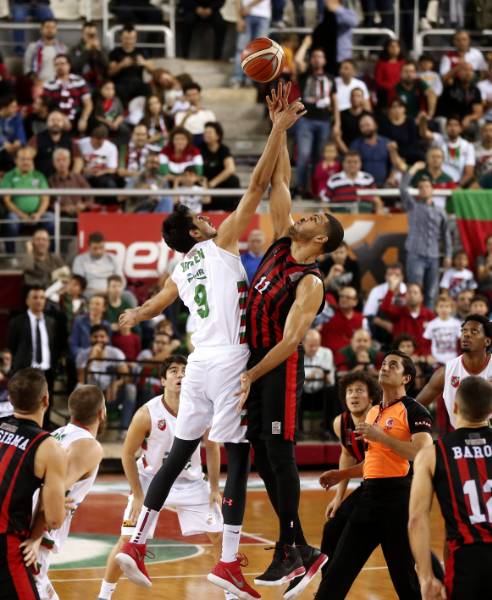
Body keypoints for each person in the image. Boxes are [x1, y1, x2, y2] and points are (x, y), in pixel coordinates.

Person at [114, 83, 305, 598]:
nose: (208, 215)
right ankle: (227, 564)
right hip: (226, 361)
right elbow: (260, 184)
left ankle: (137, 542)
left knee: (178, 453)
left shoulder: (182, 265)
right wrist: (276, 130)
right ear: (197, 230)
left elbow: (159, 302)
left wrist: (137, 313)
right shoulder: (220, 243)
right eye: (200, 216)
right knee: (238, 457)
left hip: (196, 362)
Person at [235, 92, 344, 594]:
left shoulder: (311, 280)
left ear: (321, 240)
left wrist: (252, 375)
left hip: (278, 368)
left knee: (279, 455)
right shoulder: (281, 240)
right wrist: (278, 126)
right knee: (262, 450)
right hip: (256, 363)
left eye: (316, 218)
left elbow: (290, 341)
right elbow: (276, 179)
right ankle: (299, 548)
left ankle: (292, 548)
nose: (306, 215)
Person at [99, 355, 224, 599]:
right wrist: (136, 494)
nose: (180, 375)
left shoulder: (202, 409)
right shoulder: (147, 413)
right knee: (126, 540)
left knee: (220, 536)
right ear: (162, 380)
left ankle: (229, 592)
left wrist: (214, 488)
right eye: (174, 371)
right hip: (151, 482)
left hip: (190, 483)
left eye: (184, 371)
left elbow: (212, 447)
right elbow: (126, 454)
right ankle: (104, 595)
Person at [315, 351, 433, 599]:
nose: (385, 367)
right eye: (384, 364)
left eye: (393, 365)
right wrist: (342, 473)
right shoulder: (373, 412)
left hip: (398, 500)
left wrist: (381, 437)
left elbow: (422, 454)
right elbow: (373, 461)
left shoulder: (414, 410)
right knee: (337, 572)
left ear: (406, 378)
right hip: (369, 498)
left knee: (405, 581)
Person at [408, 375, 492, 600]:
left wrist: (426, 578)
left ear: (454, 406)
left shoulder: (432, 453)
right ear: (490, 410)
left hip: (467, 561)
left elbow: (417, 519)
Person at [33, 385, 105, 600]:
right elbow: (54, 489)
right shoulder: (88, 446)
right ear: (102, 413)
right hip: (39, 527)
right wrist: (36, 535)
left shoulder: (55, 434)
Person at [0, 368, 66, 600]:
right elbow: (56, 518)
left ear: (10, 399)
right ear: (46, 400)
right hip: (5, 542)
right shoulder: (48, 446)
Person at [318, 371, 380, 573]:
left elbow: (375, 464)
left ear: (371, 397)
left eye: (360, 391)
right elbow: (347, 455)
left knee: (401, 546)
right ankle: (327, 584)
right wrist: (338, 498)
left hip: (394, 485)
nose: (354, 395)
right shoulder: (340, 423)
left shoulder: (378, 421)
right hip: (371, 485)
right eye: (350, 391)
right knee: (333, 528)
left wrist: (339, 475)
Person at [417, 314, 492, 429]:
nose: (466, 334)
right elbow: (416, 405)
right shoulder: (445, 372)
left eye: (474, 332)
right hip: (459, 435)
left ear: (487, 341)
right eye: (464, 331)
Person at [400, 161, 452, 308]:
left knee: (431, 293)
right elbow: (403, 189)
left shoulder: (440, 211)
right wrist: (413, 169)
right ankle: (415, 316)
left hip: (434, 255)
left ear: (432, 189)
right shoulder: (412, 206)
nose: (424, 189)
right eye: (421, 187)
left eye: (427, 186)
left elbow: (446, 234)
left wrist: (448, 254)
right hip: (415, 254)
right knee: (415, 289)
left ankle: (427, 320)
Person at [7, 286, 61, 425]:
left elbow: (54, 346)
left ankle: (44, 433)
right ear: (27, 301)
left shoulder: (51, 322)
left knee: (46, 404)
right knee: (23, 403)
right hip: (25, 371)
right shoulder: (17, 322)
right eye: (35, 297)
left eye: (42, 298)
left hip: (46, 371)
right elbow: (12, 346)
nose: (39, 301)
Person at [293, 47, 340, 197]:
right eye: (314, 56)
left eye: (320, 56)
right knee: (304, 155)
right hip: (305, 120)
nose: (316, 59)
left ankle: (314, 189)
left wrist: (337, 123)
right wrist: (306, 44)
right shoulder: (305, 76)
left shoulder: (331, 78)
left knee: (319, 157)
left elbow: (335, 102)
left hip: (324, 121)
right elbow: (297, 61)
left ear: (325, 61)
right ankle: (300, 187)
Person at [76, 325, 137, 433]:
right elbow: (81, 380)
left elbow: (127, 377)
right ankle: (81, 429)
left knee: (130, 388)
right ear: (90, 338)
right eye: (95, 336)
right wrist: (91, 357)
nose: (99, 339)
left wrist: (116, 383)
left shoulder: (115, 353)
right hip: (91, 397)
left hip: (111, 395)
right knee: (78, 388)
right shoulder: (83, 354)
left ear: (107, 338)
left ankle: (124, 430)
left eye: (102, 336)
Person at [1, 146, 52, 253]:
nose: (26, 162)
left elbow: (46, 198)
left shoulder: (39, 175)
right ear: (16, 161)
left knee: (51, 218)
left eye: (29, 159)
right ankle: (11, 256)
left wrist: (38, 214)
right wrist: (22, 215)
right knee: (11, 220)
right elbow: (6, 200)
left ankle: (51, 255)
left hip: (37, 215)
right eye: (23, 159)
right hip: (17, 215)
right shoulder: (9, 176)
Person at [42, 54, 93, 135]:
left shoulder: (79, 81)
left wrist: (83, 119)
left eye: (62, 64)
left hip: (77, 115)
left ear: (69, 65)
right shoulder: (49, 85)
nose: (59, 67)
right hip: (58, 117)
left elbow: (88, 104)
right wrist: (62, 118)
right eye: (56, 64)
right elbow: (48, 106)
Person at [419, 115, 475, 187]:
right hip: (436, 183)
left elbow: (469, 173)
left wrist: (457, 187)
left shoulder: (468, 146)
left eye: (456, 125)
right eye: (450, 125)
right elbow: (424, 134)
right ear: (445, 128)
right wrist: (423, 121)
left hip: (457, 183)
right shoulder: (439, 139)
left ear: (461, 129)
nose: (452, 128)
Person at [108, 24, 154, 107]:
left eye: (132, 38)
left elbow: (153, 70)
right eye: (126, 38)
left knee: (147, 88)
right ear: (121, 38)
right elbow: (110, 73)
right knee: (118, 90)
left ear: (136, 39)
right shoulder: (114, 53)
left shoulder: (142, 52)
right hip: (120, 83)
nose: (129, 41)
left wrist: (145, 63)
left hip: (137, 82)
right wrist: (121, 65)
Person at [28, 110, 82, 179]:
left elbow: (78, 160)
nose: (55, 123)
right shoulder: (36, 138)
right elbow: (27, 158)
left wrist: (73, 177)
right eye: (52, 120)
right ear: (47, 123)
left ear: (63, 123)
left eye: (58, 120)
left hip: (64, 181)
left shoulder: (70, 140)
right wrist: (34, 177)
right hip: (43, 180)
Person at [301, 329, 335, 437]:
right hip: (303, 394)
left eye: (317, 345)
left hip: (321, 393)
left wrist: (320, 375)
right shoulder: (297, 354)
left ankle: (328, 430)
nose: (314, 349)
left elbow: (330, 381)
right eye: (311, 345)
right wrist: (312, 375)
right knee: (293, 393)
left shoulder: (326, 353)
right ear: (303, 343)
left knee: (332, 392)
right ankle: (298, 431)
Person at [200, 121, 240, 210]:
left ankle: (233, 212)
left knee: (233, 180)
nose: (206, 135)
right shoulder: (199, 149)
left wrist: (212, 183)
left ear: (218, 135)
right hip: (204, 180)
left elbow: (230, 169)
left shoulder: (223, 149)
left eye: (209, 132)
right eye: (205, 132)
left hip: (218, 181)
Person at [350, 114, 400, 186]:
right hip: (363, 185)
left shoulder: (387, 143)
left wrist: (391, 177)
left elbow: (394, 164)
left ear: (375, 125)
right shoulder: (356, 145)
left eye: (368, 125)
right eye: (362, 126)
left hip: (386, 185)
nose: (365, 128)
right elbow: (351, 164)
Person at [230, 0, 271, 87]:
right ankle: (237, 78)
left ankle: (250, 79)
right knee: (241, 49)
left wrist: (249, 6)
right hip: (246, 15)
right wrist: (239, 19)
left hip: (263, 15)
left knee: (258, 51)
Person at [72, 231, 125, 297]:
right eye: (95, 248)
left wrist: (115, 290)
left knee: (129, 296)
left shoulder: (112, 258)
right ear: (89, 247)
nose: (98, 251)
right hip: (91, 292)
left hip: (112, 291)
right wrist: (100, 292)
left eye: (101, 247)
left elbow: (120, 279)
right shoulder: (80, 260)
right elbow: (78, 283)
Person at [438, 62, 483, 135]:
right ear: (458, 73)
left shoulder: (475, 90)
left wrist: (469, 118)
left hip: (464, 121)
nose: (468, 73)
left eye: (471, 70)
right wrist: (458, 67)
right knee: (442, 121)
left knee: (481, 122)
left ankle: (478, 145)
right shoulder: (451, 84)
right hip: (448, 119)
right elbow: (444, 79)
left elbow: (478, 112)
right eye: (465, 70)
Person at [378, 98, 424, 165]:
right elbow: (384, 141)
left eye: (400, 107)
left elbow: (413, 141)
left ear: (404, 109)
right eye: (394, 107)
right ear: (389, 109)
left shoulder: (409, 121)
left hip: (410, 151)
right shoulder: (385, 123)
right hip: (393, 153)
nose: (397, 110)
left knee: (421, 156)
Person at [321, 286, 366, 353]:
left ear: (355, 302)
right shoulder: (328, 315)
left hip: (352, 358)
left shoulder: (362, 319)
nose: (343, 299)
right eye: (342, 296)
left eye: (348, 297)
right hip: (328, 357)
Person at [69, 294, 112, 360]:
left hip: (101, 359)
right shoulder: (79, 321)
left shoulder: (107, 325)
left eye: (97, 304)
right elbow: (73, 345)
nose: (93, 306)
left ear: (104, 308)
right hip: (82, 359)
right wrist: (87, 354)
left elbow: (108, 346)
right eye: (91, 303)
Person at [78, 125, 120, 191]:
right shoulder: (81, 143)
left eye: (100, 141)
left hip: (101, 176)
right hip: (84, 174)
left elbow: (112, 169)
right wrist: (83, 169)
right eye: (95, 140)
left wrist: (101, 172)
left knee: (110, 184)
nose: (96, 143)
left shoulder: (111, 147)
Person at [69, 21, 108, 90]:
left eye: (93, 35)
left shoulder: (102, 49)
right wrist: (86, 50)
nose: (91, 37)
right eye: (88, 34)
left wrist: (99, 51)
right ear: (83, 34)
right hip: (80, 84)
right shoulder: (74, 49)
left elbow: (106, 66)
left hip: (99, 85)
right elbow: (74, 67)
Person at [336, 87, 372, 152]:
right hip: (344, 150)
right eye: (353, 96)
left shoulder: (368, 116)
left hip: (364, 151)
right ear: (350, 98)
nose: (355, 98)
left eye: (358, 96)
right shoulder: (342, 115)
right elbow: (336, 136)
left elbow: (372, 137)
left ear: (363, 99)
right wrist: (347, 153)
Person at [374, 38, 405, 107]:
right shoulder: (381, 64)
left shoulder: (404, 63)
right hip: (385, 93)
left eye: (396, 46)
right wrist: (391, 87)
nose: (394, 48)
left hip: (401, 92)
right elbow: (378, 81)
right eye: (391, 46)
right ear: (387, 48)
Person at [0, 95, 26, 172]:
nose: (16, 109)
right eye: (12, 107)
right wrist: (4, 143)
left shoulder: (17, 117)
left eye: (16, 106)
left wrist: (19, 141)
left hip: (12, 150)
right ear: (4, 108)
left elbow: (21, 133)